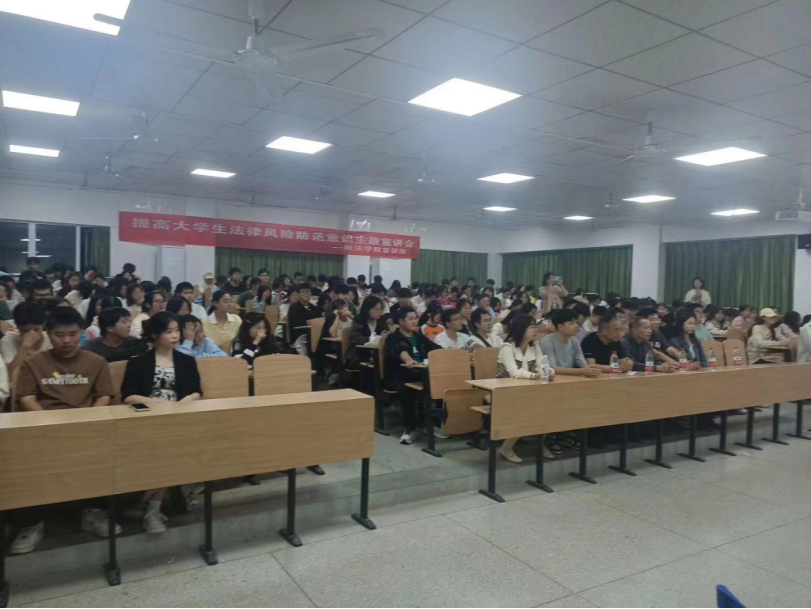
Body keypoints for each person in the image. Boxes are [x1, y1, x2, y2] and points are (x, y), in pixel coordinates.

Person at [11, 307, 118, 554]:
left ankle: (95, 511)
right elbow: (26, 398)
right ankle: (31, 523)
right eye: (59, 335)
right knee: (19, 462)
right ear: (48, 334)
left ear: (82, 332)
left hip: (86, 427)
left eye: (72, 334)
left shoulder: (96, 362)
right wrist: (49, 423)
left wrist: (86, 421)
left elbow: (104, 396)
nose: (66, 340)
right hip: (43, 428)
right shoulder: (33, 363)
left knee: (110, 452)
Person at [122, 312, 203, 532]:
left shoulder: (186, 361)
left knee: (174, 446)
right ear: (155, 335)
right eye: (169, 331)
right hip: (148, 418)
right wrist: (155, 403)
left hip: (179, 417)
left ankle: (153, 507)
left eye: (177, 331)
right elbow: (128, 396)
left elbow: (197, 391)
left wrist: (184, 403)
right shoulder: (138, 363)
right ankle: (153, 509)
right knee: (166, 449)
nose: (175, 336)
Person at [496, 315, 555, 462]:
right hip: (505, 391)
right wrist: (535, 375)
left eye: (536, 327)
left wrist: (548, 372)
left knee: (551, 407)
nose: (536, 330)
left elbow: (541, 365)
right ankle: (506, 448)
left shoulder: (534, 346)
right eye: (532, 327)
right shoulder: (507, 347)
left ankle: (540, 444)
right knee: (526, 410)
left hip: (527, 390)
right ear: (521, 329)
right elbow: (514, 372)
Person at [384, 307, 441, 445]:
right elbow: (400, 350)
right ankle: (410, 428)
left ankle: (430, 423)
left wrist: (450, 353)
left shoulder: (419, 336)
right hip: (401, 375)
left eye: (415, 318)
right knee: (407, 388)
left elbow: (434, 348)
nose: (414, 321)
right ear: (401, 321)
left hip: (422, 373)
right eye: (410, 319)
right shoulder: (393, 337)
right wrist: (409, 360)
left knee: (442, 383)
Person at [541, 309, 601, 378]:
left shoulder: (574, 341)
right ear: (560, 327)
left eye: (576, 322)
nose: (576, 326)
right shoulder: (548, 341)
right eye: (572, 323)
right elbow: (552, 368)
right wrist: (582, 371)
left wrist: (589, 370)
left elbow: (582, 362)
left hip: (570, 379)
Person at [1, 302, 52, 377]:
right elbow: (10, 376)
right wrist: (25, 347)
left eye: (36, 330)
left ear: (43, 324)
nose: (31, 334)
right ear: (18, 327)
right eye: (25, 331)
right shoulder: (8, 342)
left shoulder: (52, 339)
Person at [82, 307, 146, 362]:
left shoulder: (136, 343)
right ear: (110, 328)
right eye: (124, 322)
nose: (129, 325)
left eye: (129, 321)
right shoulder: (90, 348)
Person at [345, 296, 387, 371]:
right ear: (367, 309)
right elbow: (357, 339)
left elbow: (387, 336)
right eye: (376, 309)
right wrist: (373, 339)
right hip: (359, 355)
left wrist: (385, 337)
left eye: (381, 309)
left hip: (377, 354)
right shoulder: (358, 321)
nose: (379, 312)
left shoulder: (381, 322)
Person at [287, 283, 320, 356]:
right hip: (299, 335)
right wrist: (310, 323)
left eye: (308, 292)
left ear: (311, 294)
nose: (306, 294)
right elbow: (296, 324)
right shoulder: (293, 308)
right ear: (298, 294)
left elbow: (319, 322)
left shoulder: (315, 308)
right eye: (303, 292)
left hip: (314, 335)